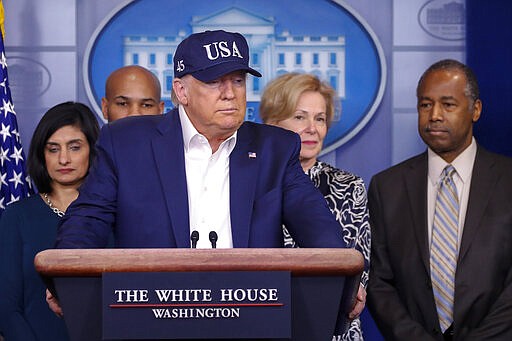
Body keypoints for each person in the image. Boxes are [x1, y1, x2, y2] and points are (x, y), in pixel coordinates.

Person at [54, 30, 346, 250]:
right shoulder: (127, 143)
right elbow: (87, 221)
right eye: (214, 82)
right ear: (181, 92)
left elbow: (317, 226)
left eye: (238, 81)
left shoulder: (275, 149)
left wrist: (345, 276)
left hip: (251, 313)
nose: (230, 93)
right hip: (154, 313)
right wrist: (64, 275)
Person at [367, 59, 512, 340]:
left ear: (475, 110)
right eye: (425, 104)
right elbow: (378, 281)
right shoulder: (387, 187)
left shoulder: (507, 181)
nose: (434, 115)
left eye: (448, 104)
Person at [260, 73, 370, 341]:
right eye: (299, 117)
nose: (312, 128)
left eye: (319, 118)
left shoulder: (349, 186)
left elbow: (357, 271)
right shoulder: (253, 185)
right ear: (273, 123)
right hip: (265, 323)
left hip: (333, 330)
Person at [0, 102, 100, 340]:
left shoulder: (109, 214)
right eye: (53, 149)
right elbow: (6, 307)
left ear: (93, 150)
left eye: (74, 148)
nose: (63, 159)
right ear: (41, 154)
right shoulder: (17, 216)